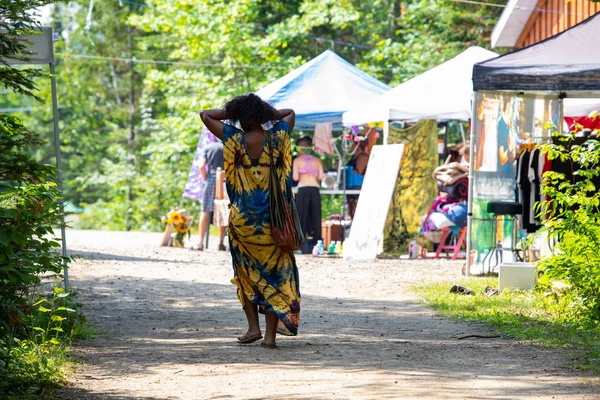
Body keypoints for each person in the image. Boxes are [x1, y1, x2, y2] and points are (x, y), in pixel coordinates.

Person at [200, 94, 300, 349]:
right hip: (273, 221)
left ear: (241, 117)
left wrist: (233, 114)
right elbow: (289, 112)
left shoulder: (233, 137)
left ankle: (252, 327)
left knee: (246, 273)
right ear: (262, 116)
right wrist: (265, 115)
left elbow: (206, 115)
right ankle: (269, 337)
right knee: (274, 276)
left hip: (243, 220)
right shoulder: (277, 136)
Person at [192, 140, 227, 251]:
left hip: (211, 179)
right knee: (222, 210)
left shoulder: (208, 147)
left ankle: (200, 242)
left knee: (205, 211)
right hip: (224, 180)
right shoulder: (228, 147)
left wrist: (205, 178)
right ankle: (220, 243)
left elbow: (201, 165)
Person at [293, 136, 324, 248]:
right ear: (310, 148)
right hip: (314, 189)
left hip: (303, 188)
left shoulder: (297, 161)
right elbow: (321, 176)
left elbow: (295, 177)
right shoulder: (317, 160)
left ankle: (301, 244)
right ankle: (317, 243)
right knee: (316, 217)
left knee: (301, 216)